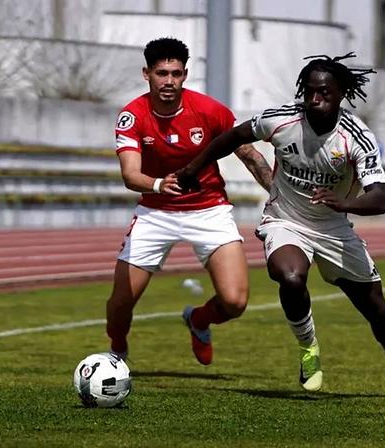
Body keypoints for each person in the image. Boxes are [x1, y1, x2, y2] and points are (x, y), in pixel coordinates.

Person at [176, 52, 385, 399]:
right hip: (286, 221)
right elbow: (233, 136)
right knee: (290, 276)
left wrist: (344, 204)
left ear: (341, 94)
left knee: (375, 307)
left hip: (334, 229)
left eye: (324, 93)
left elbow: (380, 198)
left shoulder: (356, 137)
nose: (315, 99)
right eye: (310, 91)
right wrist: (192, 169)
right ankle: (308, 348)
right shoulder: (282, 120)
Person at [106, 37, 272, 365]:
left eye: (176, 74)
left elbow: (250, 156)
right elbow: (130, 175)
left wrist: (277, 194)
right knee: (120, 303)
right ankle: (117, 352)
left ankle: (199, 319)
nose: (169, 81)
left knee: (235, 302)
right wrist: (158, 184)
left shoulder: (210, 111)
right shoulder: (133, 116)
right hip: (155, 212)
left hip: (209, 210)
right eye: (161, 73)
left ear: (185, 75)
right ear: (146, 74)